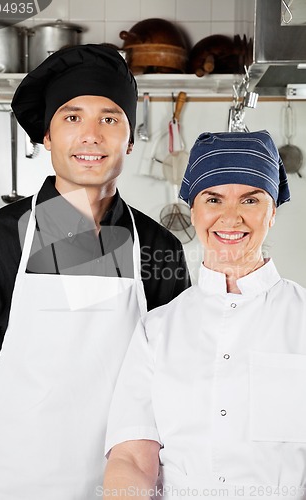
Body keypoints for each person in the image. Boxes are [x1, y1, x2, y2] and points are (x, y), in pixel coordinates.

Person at [0, 44, 190, 499]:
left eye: (109, 119)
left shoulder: (158, 248)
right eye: (72, 117)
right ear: (47, 136)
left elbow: (177, 387)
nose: (91, 135)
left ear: (130, 139)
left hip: (122, 487)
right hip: (10, 483)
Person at [103, 130, 306, 500]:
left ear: (272, 211)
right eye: (213, 199)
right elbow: (131, 458)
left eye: (250, 199)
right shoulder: (157, 329)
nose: (231, 217)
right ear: (193, 211)